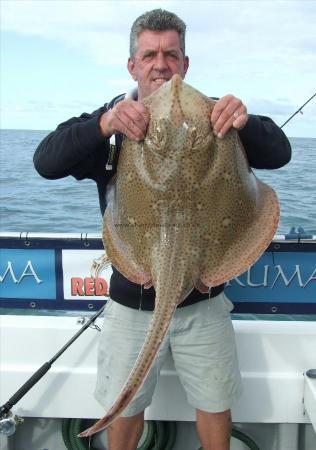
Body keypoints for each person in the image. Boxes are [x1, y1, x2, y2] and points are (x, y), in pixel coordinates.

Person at [34, 8, 291, 450]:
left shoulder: (217, 117)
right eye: (149, 55)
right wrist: (104, 124)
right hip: (131, 305)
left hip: (205, 303)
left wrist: (246, 121)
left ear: (185, 64)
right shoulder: (113, 123)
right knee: (125, 405)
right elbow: (46, 161)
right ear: (132, 65)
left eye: (171, 54)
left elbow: (279, 152)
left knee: (214, 403)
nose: (161, 64)